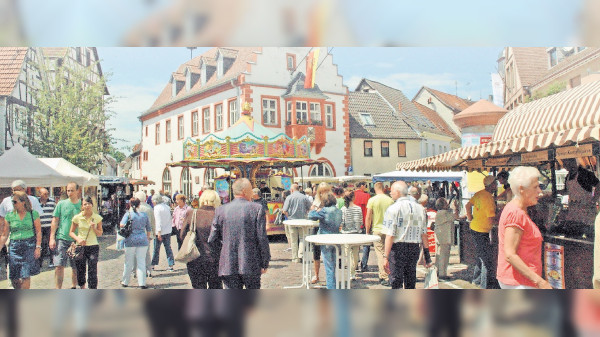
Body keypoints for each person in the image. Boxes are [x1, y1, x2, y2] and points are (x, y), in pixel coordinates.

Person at [208, 178, 271, 289]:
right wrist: (264, 261)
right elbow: (261, 238)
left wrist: (223, 253)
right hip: (251, 263)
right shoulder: (257, 209)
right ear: (245, 191)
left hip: (228, 264)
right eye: (251, 190)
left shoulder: (220, 210)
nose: (252, 193)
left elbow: (212, 239)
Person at [496, 166, 552, 289]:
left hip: (520, 282)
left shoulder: (518, 210)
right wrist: (540, 282)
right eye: (535, 187)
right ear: (521, 189)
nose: (540, 191)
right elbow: (510, 255)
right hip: (519, 283)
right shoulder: (516, 213)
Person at [382, 181, 432, 289]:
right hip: (414, 248)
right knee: (410, 279)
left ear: (398, 192)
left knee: (396, 280)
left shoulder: (393, 209)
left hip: (397, 248)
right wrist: (427, 256)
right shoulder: (420, 209)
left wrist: (385, 256)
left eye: (392, 191)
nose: (390, 193)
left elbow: (390, 235)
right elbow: (424, 234)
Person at [181, 189, 223, 289]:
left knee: (198, 287)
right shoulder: (220, 215)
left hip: (195, 258)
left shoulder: (192, 214)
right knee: (216, 287)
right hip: (216, 259)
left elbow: (182, 235)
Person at [0, 191, 42, 289]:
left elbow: (38, 231)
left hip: (29, 245)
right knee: (14, 277)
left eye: (15, 202)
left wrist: (38, 247)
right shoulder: (9, 216)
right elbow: (4, 234)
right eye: (12, 202)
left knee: (25, 275)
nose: (13, 204)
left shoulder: (33, 214)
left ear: (23, 202)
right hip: (14, 246)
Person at [465, 175, 498, 289]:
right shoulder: (488, 198)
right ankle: (485, 285)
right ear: (491, 185)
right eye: (495, 183)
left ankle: (476, 279)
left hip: (475, 228)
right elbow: (491, 218)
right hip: (481, 231)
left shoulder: (479, 193)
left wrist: (470, 218)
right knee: (486, 259)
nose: (497, 185)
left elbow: (467, 205)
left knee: (481, 255)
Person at [50, 182, 81, 289]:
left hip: (76, 239)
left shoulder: (82, 205)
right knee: (59, 265)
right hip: (62, 238)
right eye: (68, 190)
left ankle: (73, 287)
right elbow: (55, 220)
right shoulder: (61, 204)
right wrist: (52, 238)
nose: (70, 193)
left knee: (75, 266)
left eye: (72, 190)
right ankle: (58, 289)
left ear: (78, 191)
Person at [308, 192, 342, 289]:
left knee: (328, 267)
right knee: (333, 265)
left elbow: (311, 216)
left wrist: (315, 208)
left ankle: (331, 287)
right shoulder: (339, 211)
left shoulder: (324, 211)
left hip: (325, 239)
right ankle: (333, 285)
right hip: (336, 239)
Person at [363, 182, 394, 285]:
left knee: (380, 254)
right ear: (383, 188)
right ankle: (386, 274)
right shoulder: (390, 200)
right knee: (387, 253)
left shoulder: (372, 200)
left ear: (375, 189)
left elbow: (368, 217)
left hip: (377, 229)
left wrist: (367, 231)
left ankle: (384, 276)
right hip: (388, 229)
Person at [69, 196, 103, 289]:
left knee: (92, 270)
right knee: (80, 269)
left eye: (89, 203)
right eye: (85, 204)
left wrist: (94, 228)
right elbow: (71, 232)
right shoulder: (77, 217)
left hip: (93, 246)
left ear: (92, 205)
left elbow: (100, 233)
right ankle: (82, 287)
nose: (87, 206)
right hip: (81, 246)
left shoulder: (97, 218)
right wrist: (78, 239)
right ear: (82, 206)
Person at [120, 198, 152, 288]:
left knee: (128, 262)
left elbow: (121, 225)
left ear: (130, 204)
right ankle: (142, 283)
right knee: (141, 262)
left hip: (130, 240)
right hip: (142, 240)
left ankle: (125, 282)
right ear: (139, 205)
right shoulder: (144, 215)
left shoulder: (128, 214)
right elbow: (149, 229)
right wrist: (147, 237)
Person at [561, 158, 600, 226]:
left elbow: (598, 185)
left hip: (586, 211)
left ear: (572, 162)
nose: (564, 166)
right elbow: (567, 191)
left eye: (566, 164)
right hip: (574, 212)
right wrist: (556, 192)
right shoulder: (568, 176)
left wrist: (594, 200)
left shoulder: (585, 173)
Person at [309, 182, 333, 284]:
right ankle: (317, 275)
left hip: (328, 229)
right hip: (317, 228)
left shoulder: (331, 200)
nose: (323, 193)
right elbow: (311, 212)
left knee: (330, 254)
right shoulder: (317, 200)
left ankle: (331, 277)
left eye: (325, 191)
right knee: (316, 252)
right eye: (322, 191)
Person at [282, 184, 312, 262]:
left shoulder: (289, 197)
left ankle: (295, 258)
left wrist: (289, 217)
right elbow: (310, 208)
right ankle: (300, 255)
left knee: (293, 240)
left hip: (292, 221)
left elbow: (284, 210)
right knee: (302, 239)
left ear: (292, 190)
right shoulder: (304, 197)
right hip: (303, 221)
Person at [434, 197, 458, 279]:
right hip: (444, 237)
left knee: (439, 255)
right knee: (444, 255)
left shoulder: (440, 213)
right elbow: (455, 216)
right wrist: (456, 207)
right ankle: (442, 274)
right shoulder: (444, 213)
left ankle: (437, 271)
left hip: (441, 236)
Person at [340, 190, 362, 280]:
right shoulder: (358, 208)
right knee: (356, 254)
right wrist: (358, 229)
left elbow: (342, 222)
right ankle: (353, 271)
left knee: (348, 254)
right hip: (356, 234)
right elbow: (360, 221)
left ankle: (351, 272)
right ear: (353, 197)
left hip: (346, 234)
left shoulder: (343, 209)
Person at [134, 191, 155, 278]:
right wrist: (153, 233)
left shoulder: (135, 208)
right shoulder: (149, 208)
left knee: (136, 253)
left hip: (136, 234)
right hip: (147, 234)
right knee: (147, 253)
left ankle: (136, 271)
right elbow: (153, 222)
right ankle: (148, 270)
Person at [151, 194, 175, 272]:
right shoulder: (167, 207)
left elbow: (158, 221)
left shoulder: (156, 208)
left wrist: (158, 232)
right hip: (168, 230)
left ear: (155, 201)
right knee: (168, 248)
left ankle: (153, 265)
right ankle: (171, 264)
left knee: (156, 249)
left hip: (160, 232)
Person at [37, 187, 56, 268]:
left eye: (47, 194)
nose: (46, 195)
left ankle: (52, 261)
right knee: (40, 245)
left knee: (51, 244)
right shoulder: (36, 203)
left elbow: (55, 214)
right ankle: (39, 262)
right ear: (39, 194)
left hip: (49, 227)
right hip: (39, 227)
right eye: (44, 194)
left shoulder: (52, 202)